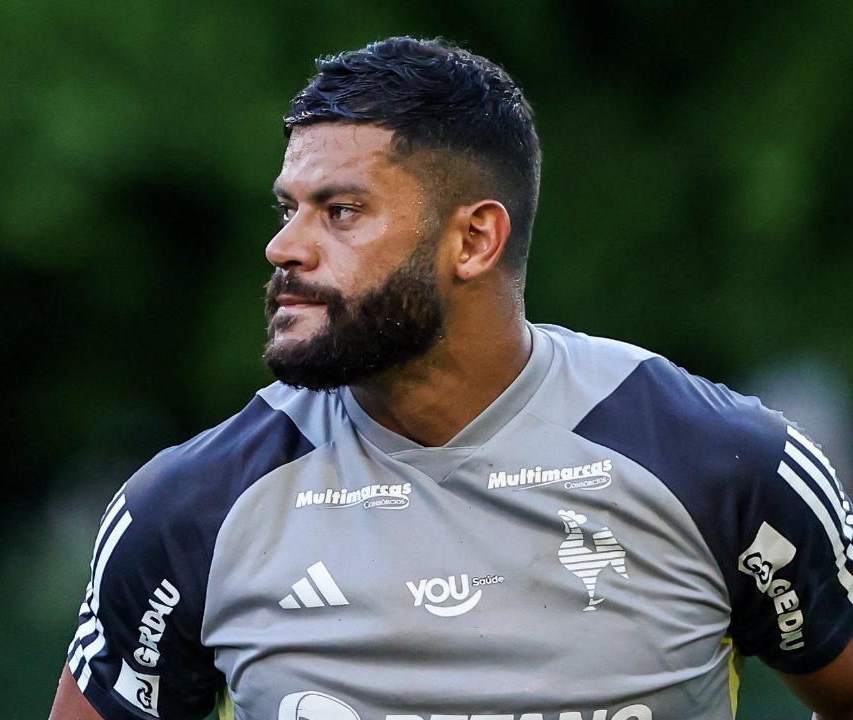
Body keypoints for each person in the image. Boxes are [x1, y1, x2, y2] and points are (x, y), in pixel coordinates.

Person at [49, 36, 853, 720]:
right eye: (286, 208)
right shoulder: (191, 511)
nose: (285, 247)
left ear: (473, 241)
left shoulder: (722, 465)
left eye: (340, 211)